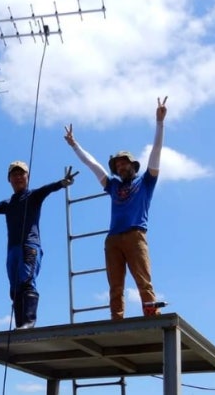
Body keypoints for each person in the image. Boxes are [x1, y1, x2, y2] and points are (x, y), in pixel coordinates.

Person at [64, 97, 167, 320]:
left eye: (124, 163)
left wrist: (159, 123)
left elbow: (156, 151)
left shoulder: (146, 182)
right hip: (113, 239)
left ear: (132, 165)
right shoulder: (113, 185)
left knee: (142, 278)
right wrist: (75, 145)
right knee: (115, 283)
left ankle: (150, 311)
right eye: (117, 165)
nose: (120, 167)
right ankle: (117, 318)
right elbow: (92, 165)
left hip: (135, 234)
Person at [0, 161, 77, 329]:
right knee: (15, 288)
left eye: (21, 174)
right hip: (12, 250)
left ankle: (29, 322)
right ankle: (20, 325)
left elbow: (48, 189)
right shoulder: (8, 204)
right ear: (9, 179)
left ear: (27, 177)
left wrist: (62, 183)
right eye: (14, 175)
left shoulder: (33, 196)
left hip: (29, 246)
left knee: (26, 281)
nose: (18, 177)